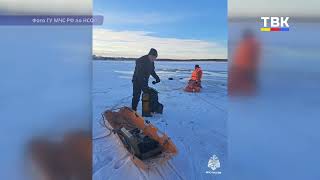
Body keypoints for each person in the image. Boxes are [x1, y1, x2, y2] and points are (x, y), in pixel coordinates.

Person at [229, 30, 260, 96]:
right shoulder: (244, 44)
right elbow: (240, 56)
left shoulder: (252, 44)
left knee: (249, 79)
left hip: (247, 67)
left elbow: (253, 56)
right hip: (242, 66)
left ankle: (249, 92)